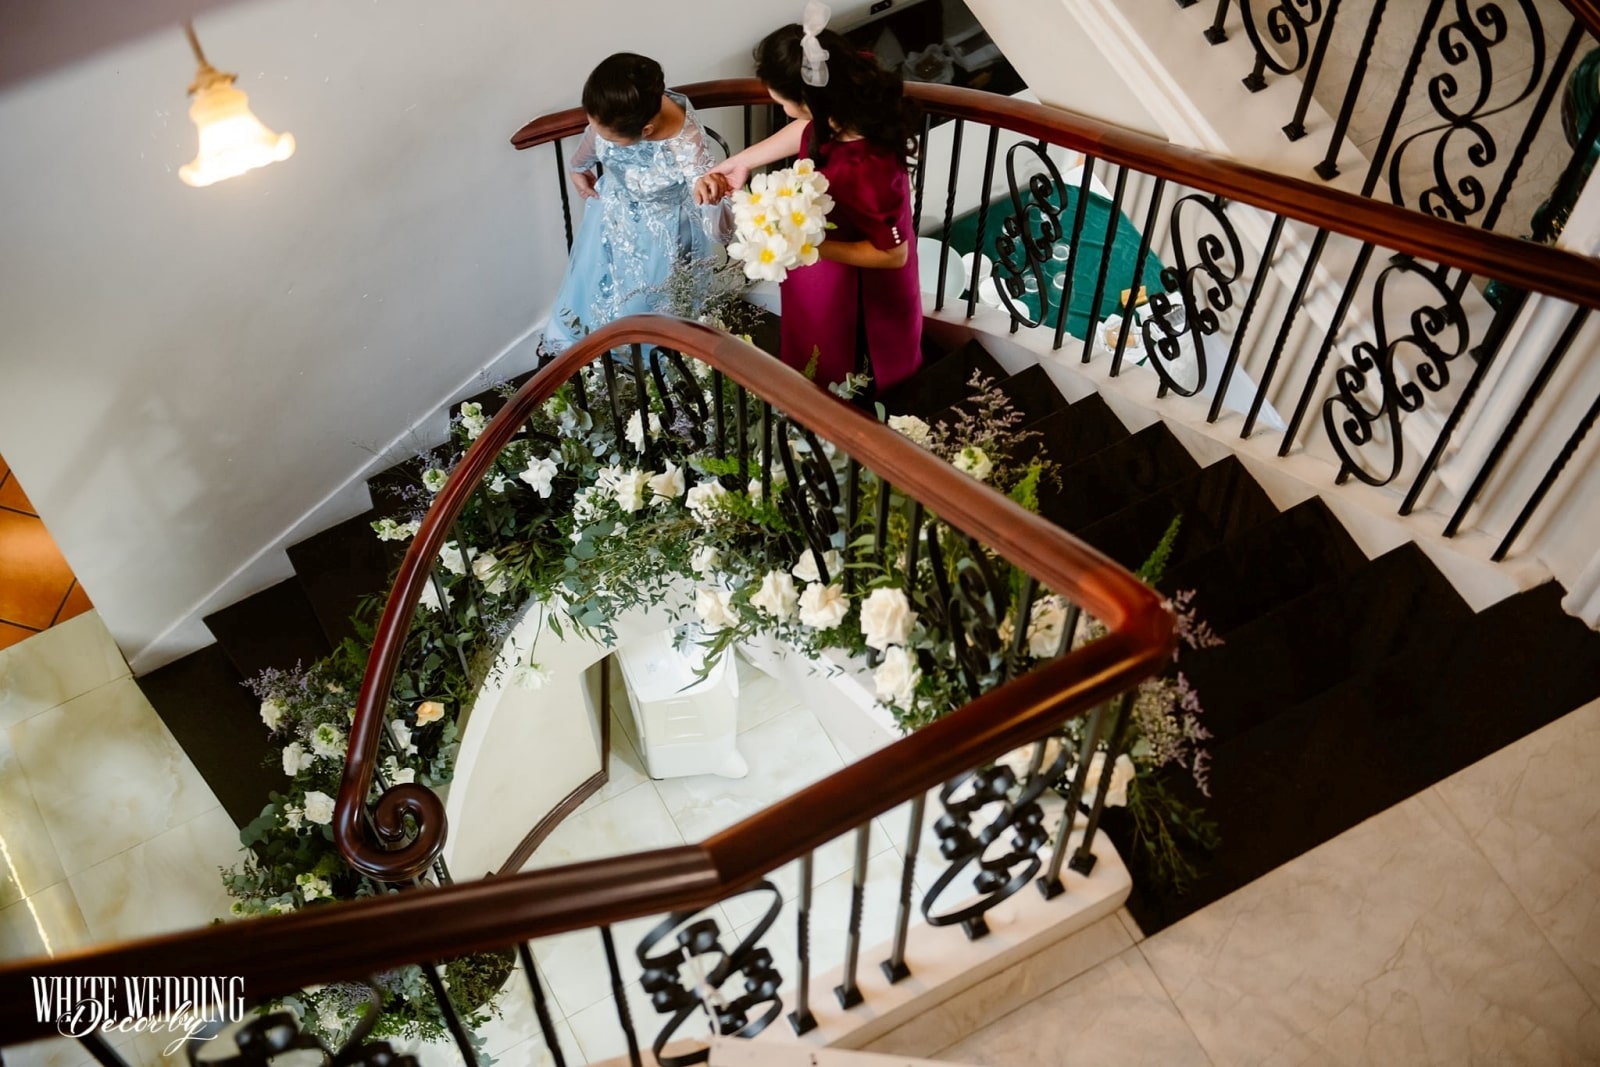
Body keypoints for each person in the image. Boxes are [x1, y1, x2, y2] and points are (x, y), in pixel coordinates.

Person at [696, 3, 923, 392]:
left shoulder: (866, 169)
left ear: (808, 102)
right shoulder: (842, 96)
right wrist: (740, 162)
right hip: (820, 262)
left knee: (846, 371)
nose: (782, 110)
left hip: (855, 287)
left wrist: (800, 245)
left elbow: (893, 254)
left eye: (783, 103)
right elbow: (808, 127)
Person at [540, 53, 729, 358]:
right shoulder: (624, 106)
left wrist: (714, 198)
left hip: (662, 237)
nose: (595, 131)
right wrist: (577, 167)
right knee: (597, 286)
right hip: (611, 218)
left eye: (610, 137)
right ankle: (600, 349)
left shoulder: (686, 146)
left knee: (645, 304)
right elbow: (594, 134)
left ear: (646, 132)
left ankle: (646, 361)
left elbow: (719, 226)